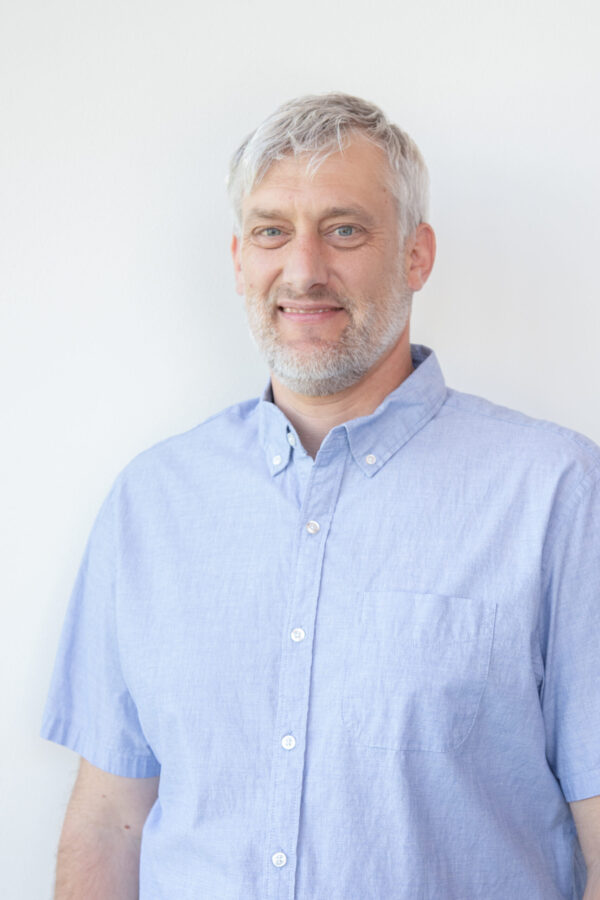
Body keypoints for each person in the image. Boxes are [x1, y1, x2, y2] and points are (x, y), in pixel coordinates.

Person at [42, 92, 600, 900]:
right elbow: (109, 821)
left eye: (344, 229)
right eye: (272, 230)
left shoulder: (557, 494)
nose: (302, 270)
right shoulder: (150, 503)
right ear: (239, 258)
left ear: (416, 255)